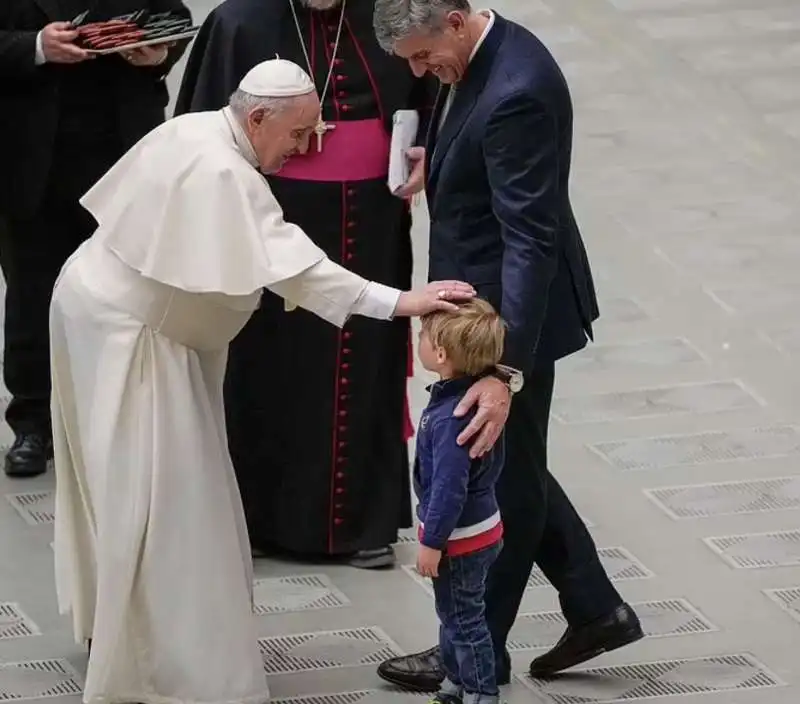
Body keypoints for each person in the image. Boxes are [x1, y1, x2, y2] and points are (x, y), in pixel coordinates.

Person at [50, 58, 476, 704]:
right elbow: (294, 267)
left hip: (101, 312)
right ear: (257, 117)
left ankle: (123, 632)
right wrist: (399, 302)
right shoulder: (225, 171)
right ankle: (170, 665)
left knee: (128, 489)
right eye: (300, 133)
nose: (306, 149)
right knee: (168, 502)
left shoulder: (192, 130)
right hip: (133, 340)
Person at [373, 0, 644, 685]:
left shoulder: (519, 89)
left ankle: (478, 650)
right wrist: (435, 156)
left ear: (457, 20)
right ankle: (594, 606)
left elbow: (530, 238)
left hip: (509, 319)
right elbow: (476, 142)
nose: (417, 72)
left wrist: (503, 368)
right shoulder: (477, 58)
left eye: (421, 55)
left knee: (499, 474)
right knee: (517, 464)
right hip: (487, 305)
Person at [175, 0, 437, 568]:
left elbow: (433, 93)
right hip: (274, 220)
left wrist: (428, 155)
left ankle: (360, 523)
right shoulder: (240, 21)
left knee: (365, 364)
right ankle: (259, 518)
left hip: (371, 222)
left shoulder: (389, 12)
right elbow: (200, 128)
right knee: (268, 369)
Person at [0, 0, 192, 478]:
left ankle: (120, 421)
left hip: (122, 153)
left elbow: (176, 20)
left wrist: (158, 55)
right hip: (31, 158)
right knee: (33, 296)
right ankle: (33, 423)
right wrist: (36, 47)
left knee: (126, 296)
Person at [414, 299, 506, 704]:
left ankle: (481, 692)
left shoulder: (454, 417)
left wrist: (432, 542)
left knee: (465, 620)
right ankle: (454, 682)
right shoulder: (468, 397)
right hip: (476, 529)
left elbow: (448, 490)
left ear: (440, 354)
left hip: (460, 538)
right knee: (452, 613)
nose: (418, 339)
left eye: (423, 335)